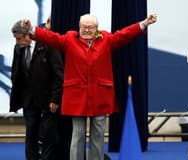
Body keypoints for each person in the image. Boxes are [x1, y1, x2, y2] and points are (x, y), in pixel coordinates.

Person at [20, 13, 157, 160]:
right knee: (77, 134)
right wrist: (31, 29)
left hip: (100, 96)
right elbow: (51, 38)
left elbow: (124, 35)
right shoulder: (69, 39)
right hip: (77, 97)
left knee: (97, 135)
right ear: (79, 27)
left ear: (96, 28)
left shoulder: (106, 39)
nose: (86, 30)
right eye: (83, 27)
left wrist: (144, 23)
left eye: (90, 27)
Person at [10, 18, 65, 160]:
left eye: (19, 38)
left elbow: (59, 75)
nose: (17, 42)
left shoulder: (48, 45)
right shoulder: (19, 48)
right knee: (31, 134)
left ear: (29, 35)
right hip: (29, 100)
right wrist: (17, 99)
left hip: (48, 100)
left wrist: (55, 99)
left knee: (48, 136)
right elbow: (16, 73)